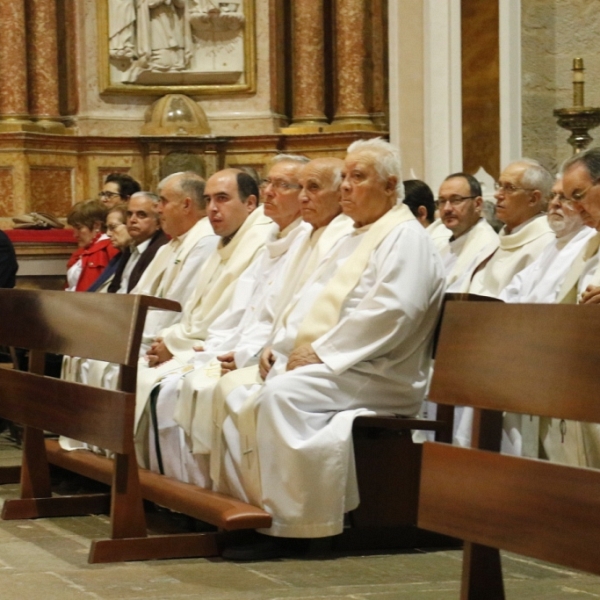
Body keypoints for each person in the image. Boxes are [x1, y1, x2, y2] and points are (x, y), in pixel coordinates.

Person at [212, 139, 445, 558]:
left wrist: (323, 352)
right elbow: (308, 303)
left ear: (391, 185)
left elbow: (394, 312)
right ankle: (255, 514)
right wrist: (278, 348)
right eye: (347, 177)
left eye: (359, 178)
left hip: (382, 372)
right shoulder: (355, 236)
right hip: (347, 365)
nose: (346, 188)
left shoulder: (404, 237)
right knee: (238, 389)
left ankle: (304, 529)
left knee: (284, 396)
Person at [148, 155, 310, 484]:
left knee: (179, 387)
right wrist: (199, 349)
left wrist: (215, 352)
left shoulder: (297, 239)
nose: (271, 193)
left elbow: (293, 316)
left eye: (283, 185)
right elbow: (235, 313)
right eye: (269, 183)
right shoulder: (270, 239)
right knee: (168, 384)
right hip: (234, 347)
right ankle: (178, 492)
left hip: (266, 356)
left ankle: (208, 495)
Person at [134, 169, 272, 467]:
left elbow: (235, 316)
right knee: (153, 382)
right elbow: (199, 309)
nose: (212, 208)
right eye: (208, 199)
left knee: (169, 387)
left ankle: (183, 490)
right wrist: (172, 340)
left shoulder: (259, 241)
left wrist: (175, 343)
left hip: (225, 348)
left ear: (250, 203)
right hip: (202, 342)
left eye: (222, 199)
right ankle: (154, 482)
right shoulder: (224, 241)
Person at [500, 178, 595, 304]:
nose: (555, 203)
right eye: (552, 196)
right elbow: (514, 290)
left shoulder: (591, 243)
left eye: (564, 197)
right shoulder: (555, 243)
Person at [469, 159, 555, 297]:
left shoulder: (547, 244)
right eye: (499, 186)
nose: (497, 195)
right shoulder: (498, 241)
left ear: (533, 198)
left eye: (509, 188)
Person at [434, 173, 499, 292]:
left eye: (456, 200)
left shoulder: (487, 246)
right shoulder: (442, 244)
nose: (447, 208)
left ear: (477, 204)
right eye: (442, 201)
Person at [106, 192, 169, 293]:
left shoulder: (162, 250)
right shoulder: (130, 248)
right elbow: (115, 288)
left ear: (158, 222)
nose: (132, 220)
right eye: (129, 214)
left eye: (141, 215)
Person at [65, 200, 120, 292]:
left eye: (79, 228)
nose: (75, 235)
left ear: (97, 225)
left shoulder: (110, 247)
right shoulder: (81, 252)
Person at [87, 203, 133, 292]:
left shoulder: (136, 257)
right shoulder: (118, 258)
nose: (108, 234)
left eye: (113, 227)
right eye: (106, 228)